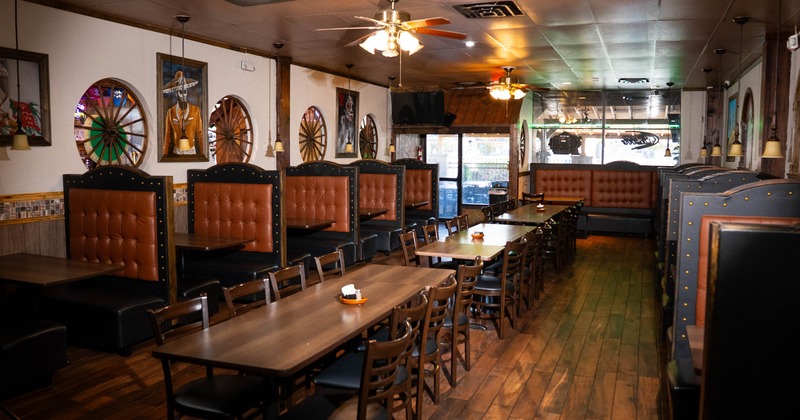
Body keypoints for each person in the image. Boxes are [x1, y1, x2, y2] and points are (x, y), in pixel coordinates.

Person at [162, 70, 202, 155]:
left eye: (185, 92)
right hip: (176, 151)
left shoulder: (195, 110)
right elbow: (167, 136)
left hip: (191, 151)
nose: (184, 95)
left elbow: (200, 134)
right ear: (176, 94)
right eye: (181, 92)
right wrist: (164, 155)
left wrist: (203, 154)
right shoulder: (170, 112)